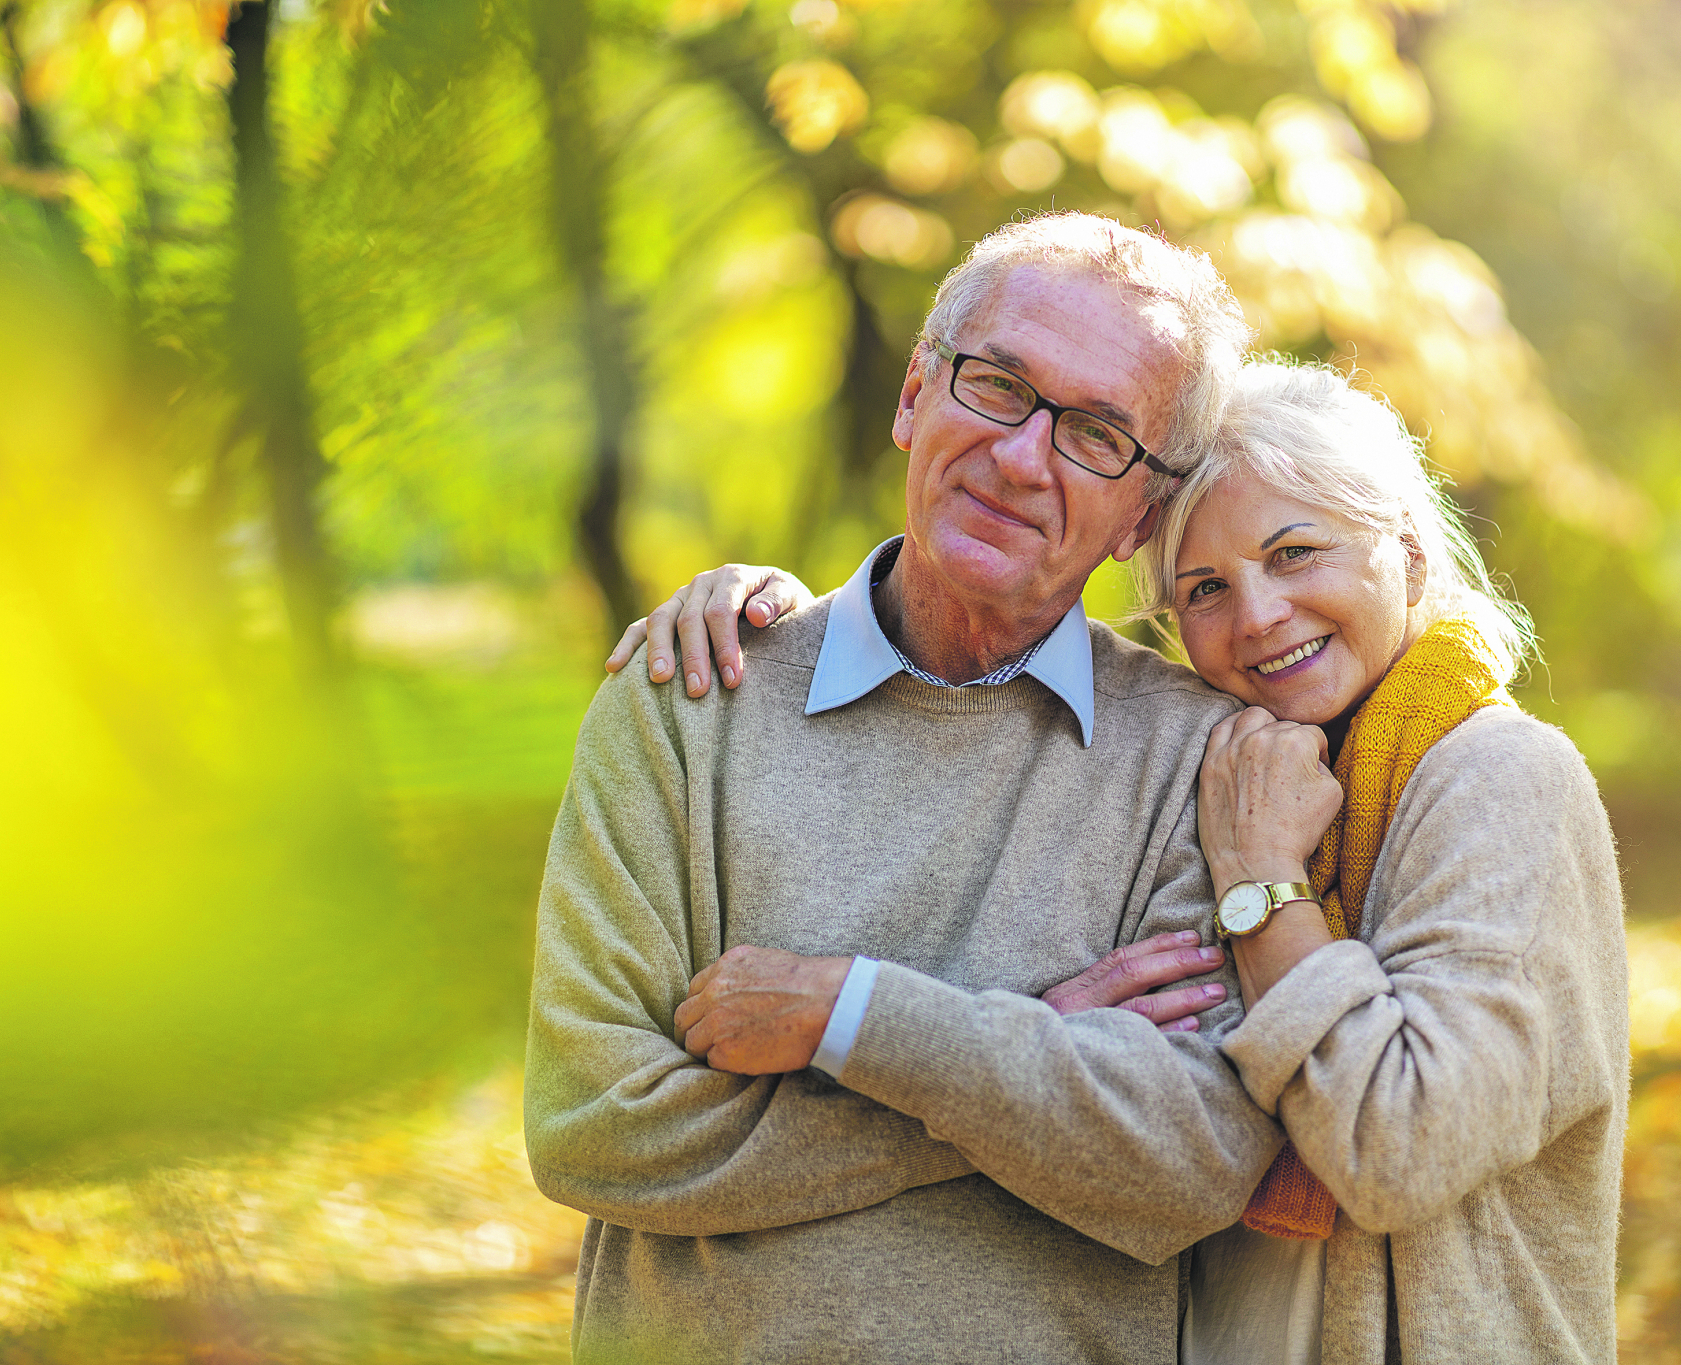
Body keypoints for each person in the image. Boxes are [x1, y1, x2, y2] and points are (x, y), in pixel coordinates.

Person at [633, 360, 1630, 1364]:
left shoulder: (1497, 781)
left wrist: (1262, 886)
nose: (1256, 617)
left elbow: (1395, 1150)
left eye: (1294, 553)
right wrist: (785, 626)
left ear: (1407, 554)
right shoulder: (1235, 766)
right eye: (1204, 589)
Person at [524, 212, 1285, 1365]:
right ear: (913, 396)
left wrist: (852, 1019)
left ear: (1141, 510)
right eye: (995, 387)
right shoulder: (690, 696)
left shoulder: (1203, 761)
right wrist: (1035, 1050)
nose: (1022, 456)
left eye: (1093, 435)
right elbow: (593, 1129)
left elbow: (1190, 1171)